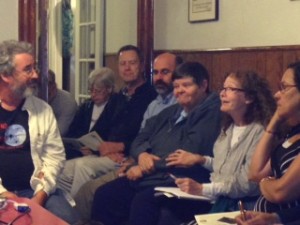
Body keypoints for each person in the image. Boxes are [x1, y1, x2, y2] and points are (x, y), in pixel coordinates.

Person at [90, 61, 222, 225]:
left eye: (186, 85)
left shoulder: (211, 113)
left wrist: (144, 167)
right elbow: (139, 138)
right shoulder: (170, 112)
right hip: (153, 176)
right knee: (105, 194)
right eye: (176, 86)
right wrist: (142, 154)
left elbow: (187, 152)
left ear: (203, 85)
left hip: (179, 179)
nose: (179, 91)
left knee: (143, 203)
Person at [73, 52, 182, 222]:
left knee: (95, 189)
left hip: (153, 169)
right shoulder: (151, 103)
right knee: (76, 181)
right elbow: (140, 137)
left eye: (166, 72)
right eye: (157, 72)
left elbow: (168, 145)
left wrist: (129, 153)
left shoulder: (157, 99)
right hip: (133, 158)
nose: (159, 77)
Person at [162, 71, 275, 225]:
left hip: (244, 208)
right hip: (219, 201)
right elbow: (225, 166)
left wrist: (203, 188)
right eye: (223, 88)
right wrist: (202, 160)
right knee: (165, 211)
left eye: (230, 89)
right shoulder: (227, 128)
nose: (222, 94)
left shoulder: (260, 132)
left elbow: (247, 183)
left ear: (249, 97)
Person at [58, 45, 157, 197]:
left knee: (82, 167)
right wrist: (99, 149)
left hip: (129, 156)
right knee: (60, 169)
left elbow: (149, 136)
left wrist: (121, 148)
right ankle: (65, 212)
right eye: (123, 64)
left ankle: (79, 216)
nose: (127, 68)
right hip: (107, 154)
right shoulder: (118, 97)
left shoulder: (151, 96)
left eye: (132, 63)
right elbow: (103, 129)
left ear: (142, 65)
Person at [0, 40, 79, 224]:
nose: (35, 75)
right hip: (2, 193)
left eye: (34, 68)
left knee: (67, 219)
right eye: (28, 69)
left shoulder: (42, 109)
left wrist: (41, 195)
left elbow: (55, 157)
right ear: (5, 75)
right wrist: (4, 194)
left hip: (37, 191)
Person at [235, 61, 300, 225]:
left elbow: (280, 192)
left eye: (284, 87)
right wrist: (275, 120)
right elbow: (255, 173)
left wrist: (266, 182)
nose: (277, 94)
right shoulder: (292, 133)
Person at [64, 67, 116, 159]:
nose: (93, 95)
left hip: (103, 154)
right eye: (91, 91)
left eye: (97, 91)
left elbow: (114, 137)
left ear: (109, 89)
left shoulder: (116, 106)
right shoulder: (86, 106)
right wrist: (79, 147)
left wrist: (94, 150)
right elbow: (72, 131)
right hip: (80, 151)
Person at [48, 69, 78, 136]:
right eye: (39, 83)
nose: (43, 88)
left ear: (54, 85)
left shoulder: (67, 101)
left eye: (48, 83)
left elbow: (59, 133)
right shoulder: (31, 98)